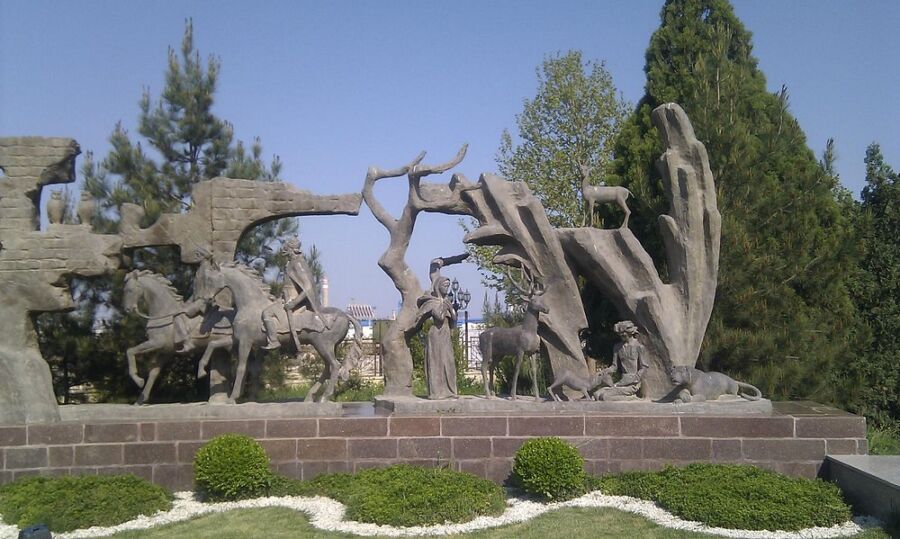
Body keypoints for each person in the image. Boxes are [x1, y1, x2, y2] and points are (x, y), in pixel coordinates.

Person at [261, 237, 326, 350]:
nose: (283, 249)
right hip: (284, 298)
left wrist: (294, 302)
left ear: (292, 249)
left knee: (266, 313)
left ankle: (274, 341)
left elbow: (308, 287)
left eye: (286, 247)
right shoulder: (291, 263)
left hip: (293, 302)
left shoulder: (297, 263)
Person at [415, 273, 458, 399]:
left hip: (445, 333)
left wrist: (451, 309)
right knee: (436, 362)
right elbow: (438, 317)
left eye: (448, 286)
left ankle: (450, 391)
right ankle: (437, 392)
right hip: (435, 334)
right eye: (445, 285)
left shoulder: (447, 302)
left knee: (448, 361)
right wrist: (445, 307)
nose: (447, 288)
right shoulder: (432, 303)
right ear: (439, 287)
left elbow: (454, 320)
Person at [593, 320, 648, 401]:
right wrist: (605, 371)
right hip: (621, 382)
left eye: (623, 334)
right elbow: (614, 367)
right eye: (620, 335)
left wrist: (635, 379)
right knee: (596, 394)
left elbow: (644, 367)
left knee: (605, 397)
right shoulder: (617, 347)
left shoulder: (639, 347)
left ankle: (631, 398)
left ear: (630, 333)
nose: (621, 336)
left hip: (632, 384)